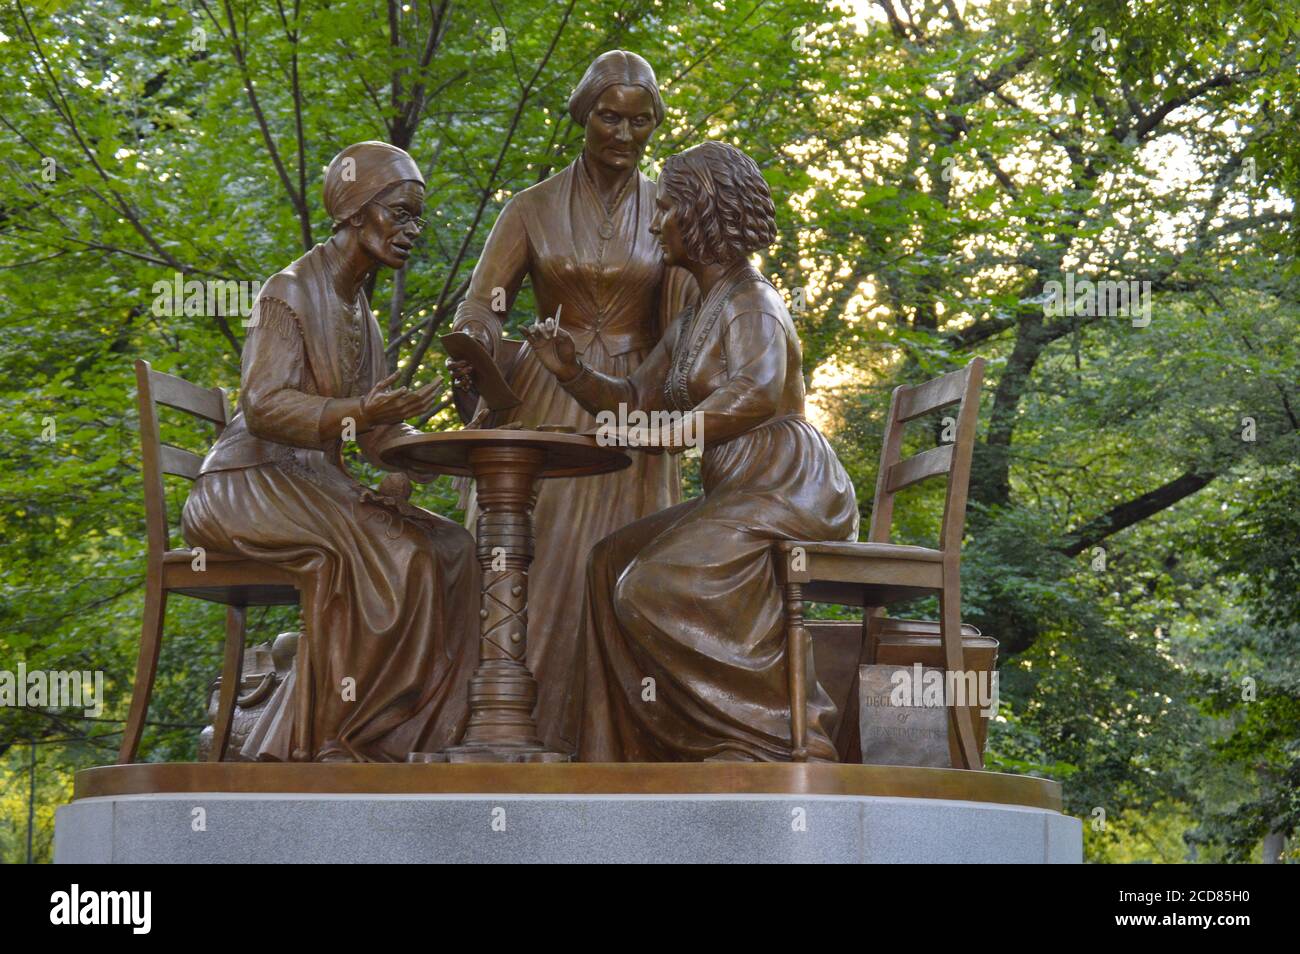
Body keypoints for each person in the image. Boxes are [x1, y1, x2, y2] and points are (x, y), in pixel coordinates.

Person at [523, 141, 859, 762]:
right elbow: (633, 398)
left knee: (648, 584)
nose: (656, 223)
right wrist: (571, 373)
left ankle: (776, 734)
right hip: (741, 492)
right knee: (606, 564)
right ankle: (621, 751)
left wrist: (658, 436)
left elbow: (754, 396)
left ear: (703, 214)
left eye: (669, 207)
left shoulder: (752, 303)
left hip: (789, 489)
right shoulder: (694, 316)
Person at [182, 141, 478, 762]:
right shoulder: (287, 291)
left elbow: (372, 434)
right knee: (394, 554)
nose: (411, 231)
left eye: (417, 217)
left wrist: (429, 454)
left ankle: (416, 735)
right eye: (399, 213)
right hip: (246, 483)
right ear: (353, 210)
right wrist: (362, 414)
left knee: (453, 548)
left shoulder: (360, 312)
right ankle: (339, 737)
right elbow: (264, 406)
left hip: (310, 481)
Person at [447, 51, 697, 754]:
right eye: (610, 116)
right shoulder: (531, 206)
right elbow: (486, 302)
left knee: (620, 567)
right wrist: (474, 342)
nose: (624, 132)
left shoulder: (668, 212)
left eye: (641, 120)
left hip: (631, 405)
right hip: (543, 392)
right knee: (531, 553)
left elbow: (684, 321)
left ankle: (608, 741)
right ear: (583, 115)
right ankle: (509, 726)